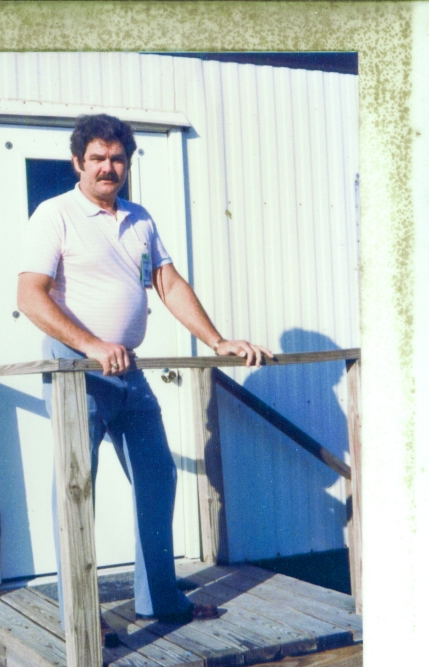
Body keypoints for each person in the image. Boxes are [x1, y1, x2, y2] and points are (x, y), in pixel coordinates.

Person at [17, 113, 273, 620]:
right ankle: (79, 623)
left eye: (117, 158)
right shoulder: (55, 214)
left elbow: (169, 285)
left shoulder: (140, 219)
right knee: (75, 490)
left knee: (156, 477)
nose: (107, 168)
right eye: (97, 158)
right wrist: (90, 344)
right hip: (76, 373)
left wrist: (217, 340)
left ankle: (160, 601)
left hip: (127, 371)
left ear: (127, 163)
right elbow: (30, 296)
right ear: (77, 162)